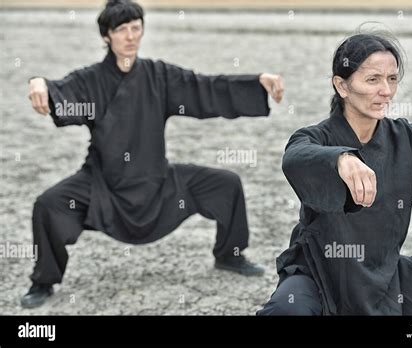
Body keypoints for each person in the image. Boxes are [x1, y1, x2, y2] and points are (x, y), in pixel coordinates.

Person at [22, 0, 284, 308]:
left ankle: (230, 254)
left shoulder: (158, 75)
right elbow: (59, 91)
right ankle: (43, 281)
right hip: (104, 184)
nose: (131, 36)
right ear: (107, 36)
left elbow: (205, 87)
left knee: (226, 184)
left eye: (136, 28)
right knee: (48, 205)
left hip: (158, 182)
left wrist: (256, 83)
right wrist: (38, 82)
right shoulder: (90, 80)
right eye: (121, 30)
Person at [257, 30, 412, 315]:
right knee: (286, 311)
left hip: (385, 278)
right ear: (342, 86)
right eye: (373, 79)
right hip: (320, 276)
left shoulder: (406, 140)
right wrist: (339, 160)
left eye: (392, 79)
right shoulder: (316, 136)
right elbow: (296, 157)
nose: (386, 90)